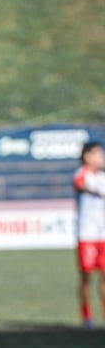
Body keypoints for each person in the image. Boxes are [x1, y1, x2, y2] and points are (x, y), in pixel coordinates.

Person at [72, 140, 105, 329]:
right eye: (98, 154)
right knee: (86, 277)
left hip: (104, 235)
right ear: (87, 156)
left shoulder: (103, 176)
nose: (101, 157)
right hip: (87, 235)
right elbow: (80, 184)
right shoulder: (82, 174)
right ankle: (87, 317)